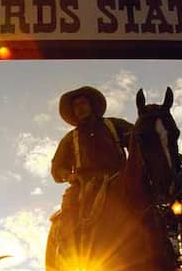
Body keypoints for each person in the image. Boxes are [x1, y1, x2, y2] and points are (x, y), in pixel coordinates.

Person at [51, 86, 133, 261]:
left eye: (83, 103)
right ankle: (70, 251)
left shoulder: (113, 124)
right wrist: (69, 176)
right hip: (85, 186)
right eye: (75, 106)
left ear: (91, 105)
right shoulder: (69, 139)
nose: (79, 107)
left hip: (120, 179)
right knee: (69, 204)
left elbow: (138, 138)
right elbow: (56, 168)